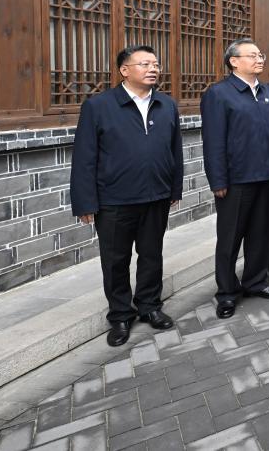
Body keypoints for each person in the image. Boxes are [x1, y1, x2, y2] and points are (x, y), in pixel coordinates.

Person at [70, 45, 183, 346]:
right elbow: (84, 157)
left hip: (156, 196)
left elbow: (175, 150)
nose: (153, 68)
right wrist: (85, 201)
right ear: (124, 70)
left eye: (155, 64)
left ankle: (150, 306)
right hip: (114, 199)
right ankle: (120, 315)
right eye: (144, 64)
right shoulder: (99, 106)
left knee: (151, 255)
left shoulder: (166, 104)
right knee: (115, 260)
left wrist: (174, 188)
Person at [201, 39, 269, 320]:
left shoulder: (267, 92)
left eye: (260, 55)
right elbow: (213, 141)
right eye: (252, 55)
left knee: (260, 234)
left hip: (265, 176)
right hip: (235, 180)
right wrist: (218, 180)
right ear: (234, 62)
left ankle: (255, 281)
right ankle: (226, 292)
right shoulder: (219, 94)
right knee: (230, 238)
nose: (259, 59)